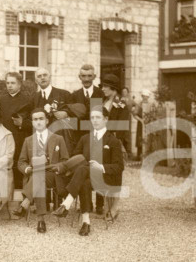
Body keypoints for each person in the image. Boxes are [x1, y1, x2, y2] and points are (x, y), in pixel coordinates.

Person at [52, 107, 124, 236]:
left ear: (106, 119)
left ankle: (66, 203)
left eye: (98, 117)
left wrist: (101, 166)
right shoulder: (85, 138)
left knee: (83, 170)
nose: (95, 121)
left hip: (105, 177)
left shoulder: (113, 141)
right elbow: (76, 157)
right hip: (86, 177)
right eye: (93, 118)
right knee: (84, 181)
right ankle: (86, 222)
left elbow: (119, 167)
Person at [11, 108, 70, 233]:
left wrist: (57, 167)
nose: (38, 122)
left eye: (41, 119)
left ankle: (26, 203)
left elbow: (66, 160)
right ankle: (40, 220)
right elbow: (21, 162)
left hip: (53, 175)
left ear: (47, 121)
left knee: (39, 175)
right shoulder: (28, 140)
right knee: (39, 176)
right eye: (35, 119)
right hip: (36, 176)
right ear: (32, 122)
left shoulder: (58, 138)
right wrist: (27, 169)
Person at [0, 71, 31, 190]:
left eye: (13, 83)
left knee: (19, 168)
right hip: (5, 140)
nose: (10, 86)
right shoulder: (1, 100)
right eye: (7, 83)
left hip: (21, 139)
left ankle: (19, 200)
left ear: (20, 85)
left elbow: (32, 122)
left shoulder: (28, 100)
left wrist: (22, 124)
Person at [31, 67, 74, 148]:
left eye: (45, 75)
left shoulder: (64, 94)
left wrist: (66, 113)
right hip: (41, 139)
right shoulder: (34, 98)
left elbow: (74, 114)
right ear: (36, 81)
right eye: (39, 76)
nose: (42, 77)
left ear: (50, 77)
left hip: (60, 138)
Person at [67, 63, 105, 146]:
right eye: (83, 76)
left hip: (97, 136)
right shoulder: (74, 95)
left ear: (94, 77)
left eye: (89, 76)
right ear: (79, 77)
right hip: (79, 138)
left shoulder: (101, 94)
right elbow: (73, 119)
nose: (86, 79)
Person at [100, 74, 132, 156]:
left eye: (105, 86)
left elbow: (122, 127)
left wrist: (113, 140)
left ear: (113, 88)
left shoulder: (121, 104)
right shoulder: (102, 101)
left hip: (112, 141)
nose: (102, 89)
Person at [133, 89, 151, 159]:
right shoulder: (139, 105)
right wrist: (140, 120)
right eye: (144, 96)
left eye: (146, 96)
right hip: (141, 124)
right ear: (142, 96)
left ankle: (147, 154)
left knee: (148, 138)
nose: (145, 97)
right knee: (140, 138)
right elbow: (134, 114)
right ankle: (139, 155)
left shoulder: (150, 105)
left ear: (148, 97)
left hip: (148, 123)